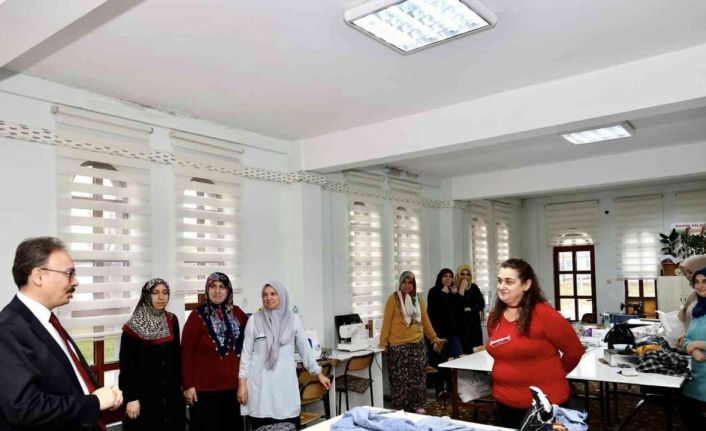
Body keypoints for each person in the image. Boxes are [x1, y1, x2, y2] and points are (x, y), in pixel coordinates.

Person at [0, 236, 122, 431]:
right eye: (69, 274)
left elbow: (67, 382)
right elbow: (25, 408)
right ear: (38, 276)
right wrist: (94, 402)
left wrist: (103, 396)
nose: (76, 282)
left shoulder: (47, 320)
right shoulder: (8, 329)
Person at [486, 258, 583, 429]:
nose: (501, 286)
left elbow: (574, 351)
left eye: (509, 282)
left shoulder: (544, 314)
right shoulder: (495, 316)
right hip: (505, 400)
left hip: (545, 403)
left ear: (526, 284)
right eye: (500, 281)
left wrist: (554, 375)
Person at [238, 282, 330, 430]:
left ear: (281, 296)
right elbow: (246, 353)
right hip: (261, 388)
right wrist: (242, 383)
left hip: (285, 387)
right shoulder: (254, 320)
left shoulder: (293, 320)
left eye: (273, 294)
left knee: (288, 425)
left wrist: (318, 373)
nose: (268, 298)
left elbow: (304, 349)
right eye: (265, 295)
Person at [182, 272, 249, 431]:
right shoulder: (197, 316)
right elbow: (186, 353)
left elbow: (250, 346)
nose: (217, 291)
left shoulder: (238, 314)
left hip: (234, 389)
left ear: (228, 290)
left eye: (222, 287)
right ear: (207, 289)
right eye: (213, 286)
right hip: (204, 392)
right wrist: (188, 386)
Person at [119, 278, 185, 430]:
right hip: (144, 397)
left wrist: (181, 388)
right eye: (155, 293)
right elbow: (127, 366)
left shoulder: (172, 320)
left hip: (171, 395)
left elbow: (176, 358)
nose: (161, 297)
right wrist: (131, 398)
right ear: (147, 295)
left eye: (165, 293)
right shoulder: (132, 327)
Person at [379, 271, 444, 414]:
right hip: (398, 346)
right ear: (400, 283)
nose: (407, 285)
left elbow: (425, 321)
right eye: (404, 282)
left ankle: (418, 405)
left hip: (417, 344)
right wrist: (383, 343)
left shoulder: (418, 299)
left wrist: (433, 337)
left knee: (418, 378)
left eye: (410, 283)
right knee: (400, 380)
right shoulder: (393, 299)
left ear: (414, 284)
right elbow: (386, 323)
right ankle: (401, 407)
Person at [426, 268, 464, 394]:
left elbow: (459, 309)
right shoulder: (434, 291)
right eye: (445, 276)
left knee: (456, 361)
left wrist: (456, 294)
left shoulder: (453, 291)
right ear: (440, 277)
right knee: (441, 363)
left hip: (453, 333)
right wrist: (443, 294)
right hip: (439, 335)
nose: (448, 278)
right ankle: (440, 391)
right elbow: (432, 313)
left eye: (450, 276)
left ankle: (452, 390)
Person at [680, 267, 706, 430]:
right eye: (697, 282)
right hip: (695, 377)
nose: (700, 285)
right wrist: (691, 348)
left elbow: (692, 341)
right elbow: (686, 338)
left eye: (704, 281)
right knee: (689, 417)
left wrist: (697, 344)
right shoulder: (698, 310)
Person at [677, 255, 706, 347]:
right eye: (685, 273)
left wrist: (694, 345)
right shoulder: (695, 296)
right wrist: (687, 338)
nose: (687, 276)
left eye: (690, 272)